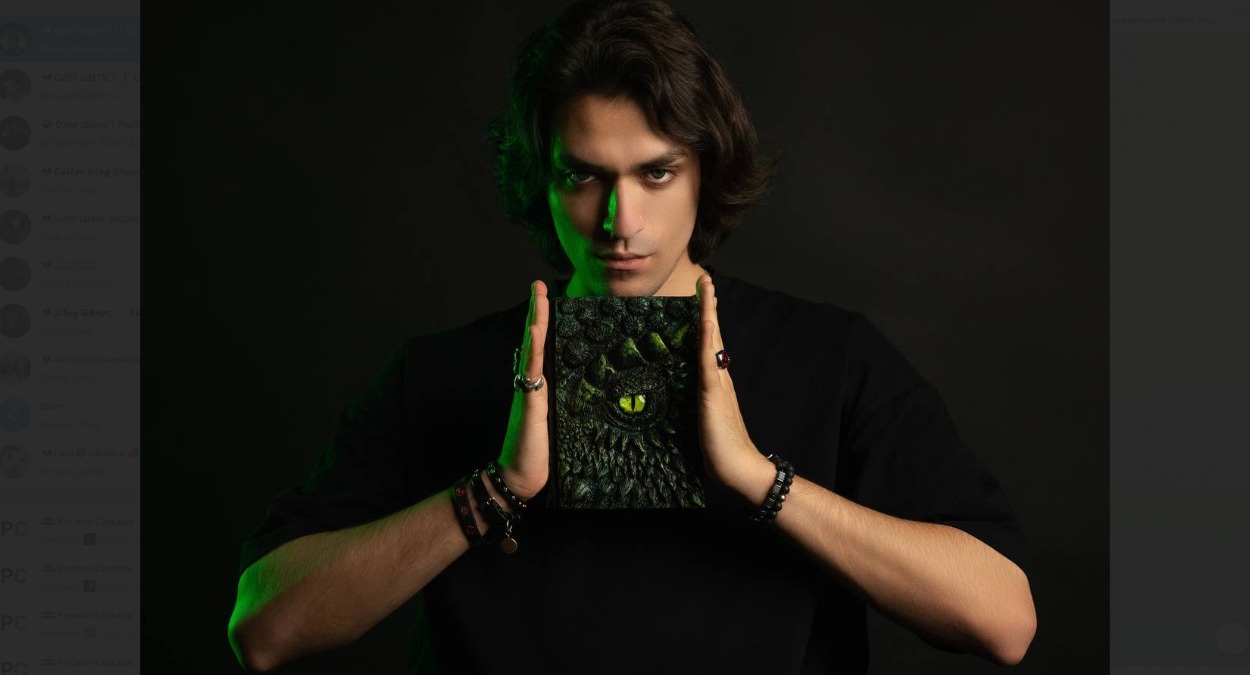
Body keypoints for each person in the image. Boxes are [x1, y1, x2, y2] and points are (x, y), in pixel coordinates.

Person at [228, 1, 1036, 673]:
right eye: (583, 175)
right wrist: (493, 492)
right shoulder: (441, 373)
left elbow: (1003, 619)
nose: (621, 221)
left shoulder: (831, 356)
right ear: (541, 181)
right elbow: (262, 628)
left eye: (656, 172)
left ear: (706, 169)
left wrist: (761, 480)